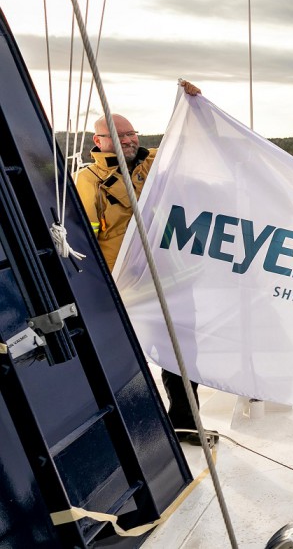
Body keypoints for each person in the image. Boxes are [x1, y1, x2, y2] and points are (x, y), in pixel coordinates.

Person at [74, 79, 215, 447]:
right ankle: (129, 427)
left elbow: (197, 144)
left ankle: (184, 422)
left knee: (181, 353)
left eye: (130, 133)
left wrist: (196, 106)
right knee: (122, 356)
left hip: (172, 278)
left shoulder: (157, 162)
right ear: (98, 143)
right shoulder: (88, 183)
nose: (127, 141)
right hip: (123, 288)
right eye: (116, 137)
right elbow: (82, 242)